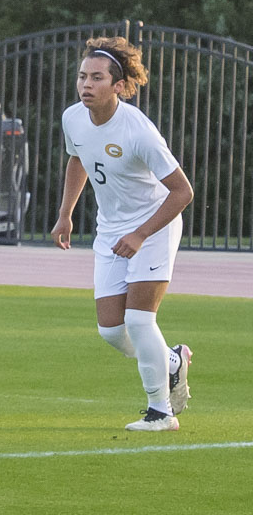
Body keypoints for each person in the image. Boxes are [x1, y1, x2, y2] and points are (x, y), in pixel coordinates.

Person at [51, 37, 194, 432]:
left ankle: (160, 412)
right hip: (111, 231)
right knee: (112, 331)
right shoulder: (73, 118)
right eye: (82, 76)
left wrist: (141, 234)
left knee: (139, 320)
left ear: (118, 86)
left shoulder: (138, 131)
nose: (86, 85)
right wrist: (65, 214)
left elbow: (183, 192)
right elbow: (78, 157)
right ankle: (172, 361)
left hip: (154, 226)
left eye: (97, 78)